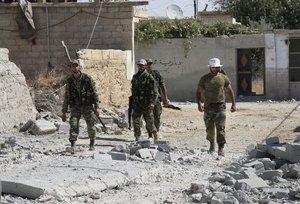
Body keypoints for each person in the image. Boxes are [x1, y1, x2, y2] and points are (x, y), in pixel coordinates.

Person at [196, 58, 236, 156]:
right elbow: (198, 92)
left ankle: (221, 148)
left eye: (217, 67)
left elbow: (230, 90)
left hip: (220, 106)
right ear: (210, 67)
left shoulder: (223, 77)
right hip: (208, 107)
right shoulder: (204, 78)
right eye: (214, 67)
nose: (215, 69)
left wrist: (233, 103)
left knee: (220, 128)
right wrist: (199, 104)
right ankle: (211, 145)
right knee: (209, 128)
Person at [61, 59, 100, 153]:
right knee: (73, 124)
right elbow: (67, 96)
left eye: (76, 65)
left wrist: (97, 107)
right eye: (73, 66)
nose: (75, 67)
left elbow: (95, 93)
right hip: (75, 106)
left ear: (79, 67)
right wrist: (64, 111)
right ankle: (73, 144)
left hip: (87, 106)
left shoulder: (87, 78)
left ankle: (92, 143)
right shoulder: (69, 81)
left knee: (91, 124)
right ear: (71, 68)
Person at [131, 59, 158, 142]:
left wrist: (152, 102)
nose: (140, 67)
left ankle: (155, 134)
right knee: (135, 120)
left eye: (142, 65)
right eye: (139, 65)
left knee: (149, 121)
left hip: (147, 103)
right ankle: (137, 136)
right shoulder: (135, 77)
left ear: (145, 66)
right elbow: (133, 89)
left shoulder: (149, 77)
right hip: (138, 103)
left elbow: (155, 91)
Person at [145, 58, 170, 139]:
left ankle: (156, 131)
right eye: (147, 64)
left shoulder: (156, 74)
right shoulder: (142, 75)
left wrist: (166, 98)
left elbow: (162, 85)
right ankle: (150, 135)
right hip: (147, 100)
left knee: (157, 116)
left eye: (150, 64)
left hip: (157, 99)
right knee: (149, 117)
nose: (149, 66)